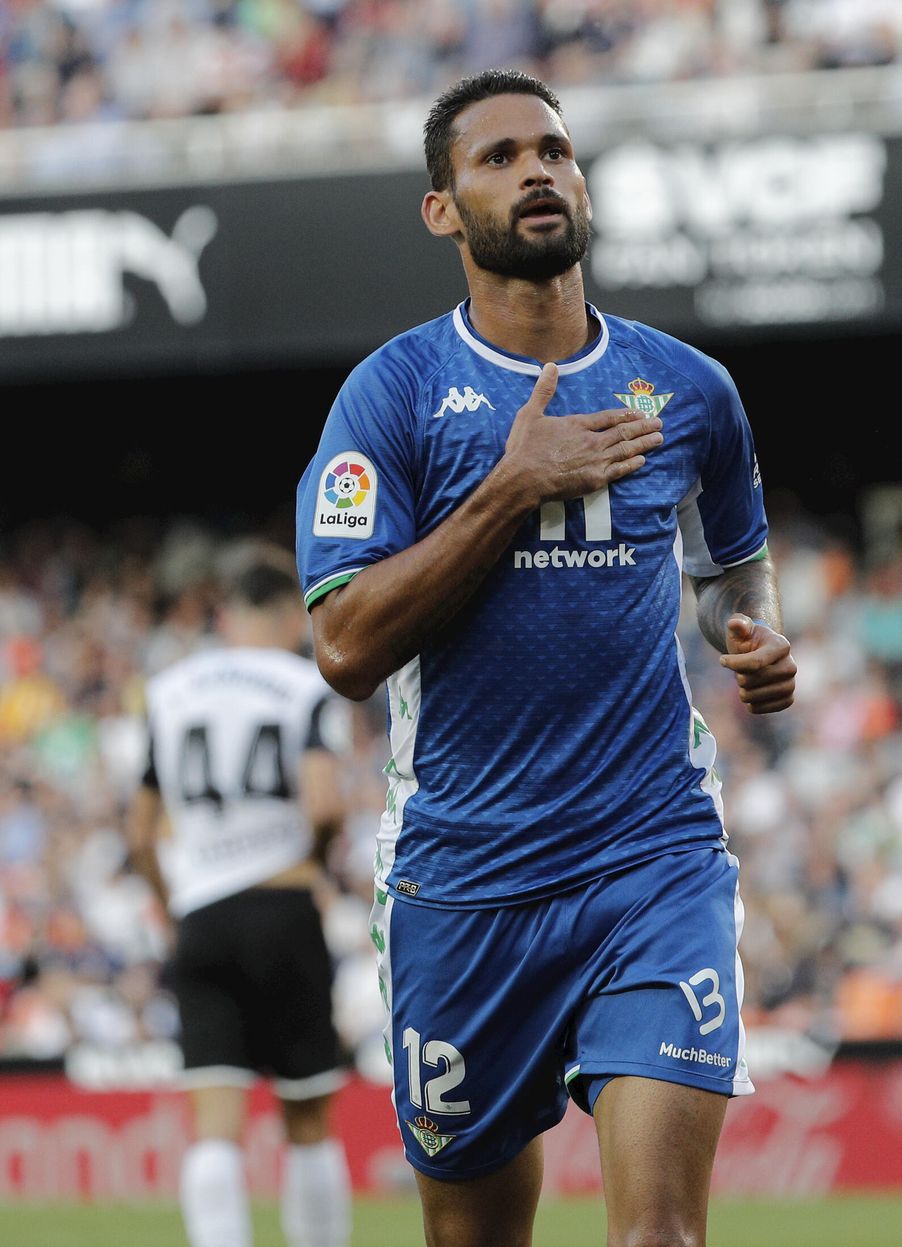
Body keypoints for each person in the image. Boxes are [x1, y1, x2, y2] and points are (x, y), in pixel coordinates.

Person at [293, 68, 796, 1247]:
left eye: (554, 151)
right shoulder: (392, 396)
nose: (536, 171)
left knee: (659, 1234)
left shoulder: (691, 390)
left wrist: (754, 634)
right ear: (441, 207)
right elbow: (345, 644)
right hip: (463, 877)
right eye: (499, 156)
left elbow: (733, 567)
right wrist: (511, 486)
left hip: (653, 856)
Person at [128, 551, 352, 1247]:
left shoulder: (169, 690)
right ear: (291, 613)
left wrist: (171, 903)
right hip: (281, 904)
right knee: (309, 1123)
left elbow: (138, 833)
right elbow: (324, 803)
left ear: (228, 615)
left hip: (202, 912)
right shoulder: (302, 682)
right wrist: (310, 867)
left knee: (213, 1129)